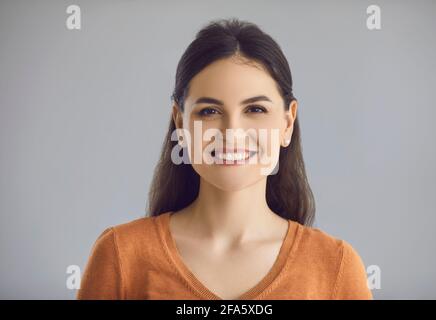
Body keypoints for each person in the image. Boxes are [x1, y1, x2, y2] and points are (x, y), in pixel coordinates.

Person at [77, 18, 373, 300]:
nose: (232, 133)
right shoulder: (120, 256)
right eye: (209, 111)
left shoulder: (336, 267)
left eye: (255, 110)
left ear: (287, 123)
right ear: (180, 123)